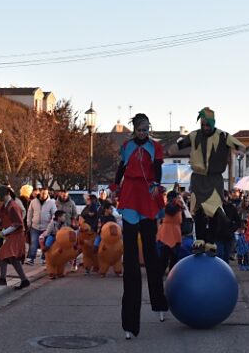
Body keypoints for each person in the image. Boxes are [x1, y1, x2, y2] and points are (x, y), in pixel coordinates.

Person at [111, 113, 168, 340]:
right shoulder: (127, 146)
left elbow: (158, 169)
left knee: (152, 255)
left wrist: (156, 184)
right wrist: (116, 185)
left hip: (148, 196)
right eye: (139, 130)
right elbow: (121, 169)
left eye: (146, 129)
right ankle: (130, 323)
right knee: (131, 262)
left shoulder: (156, 147)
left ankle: (159, 303)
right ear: (134, 130)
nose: (143, 133)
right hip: (130, 196)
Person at [172, 107, 246, 256]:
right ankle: (199, 241)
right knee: (198, 210)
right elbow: (181, 144)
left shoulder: (224, 136)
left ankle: (211, 243)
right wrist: (173, 148)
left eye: (208, 125)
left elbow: (240, 145)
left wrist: (240, 151)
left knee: (214, 210)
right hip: (198, 177)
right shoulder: (194, 136)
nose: (205, 128)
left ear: (213, 124)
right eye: (203, 125)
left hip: (214, 178)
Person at [0, 186, 30, 290]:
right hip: (12, 234)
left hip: (17, 234)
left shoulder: (13, 206)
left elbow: (17, 224)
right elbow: (1, 221)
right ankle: (24, 280)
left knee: (3, 253)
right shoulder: (4, 206)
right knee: (12, 258)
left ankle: (3, 279)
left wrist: (4, 232)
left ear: (6, 194)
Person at [26, 187, 57, 266]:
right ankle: (30, 258)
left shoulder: (51, 202)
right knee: (34, 242)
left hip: (46, 227)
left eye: (46, 193)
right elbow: (29, 213)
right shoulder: (33, 201)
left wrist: (52, 224)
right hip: (35, 226)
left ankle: (44, 258)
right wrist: (28, 223)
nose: (44, 195)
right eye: (42, 193)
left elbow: (54, 214)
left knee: (46, 243)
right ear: (39, 193)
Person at [157, 191, 183, 276]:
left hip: (175, 233)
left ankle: (172, 275)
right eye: (177, 197)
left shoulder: (179, 206)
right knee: (164, 257)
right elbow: (171, 211)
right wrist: (178, 205)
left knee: (174, 257)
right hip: (166, 233)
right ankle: (159, 274)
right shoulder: (168, 206)